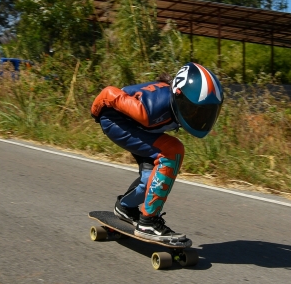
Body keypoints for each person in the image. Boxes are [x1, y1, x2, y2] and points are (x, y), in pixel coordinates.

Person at [91, 62, 223, 243]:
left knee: (151, 178)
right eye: (194, 110)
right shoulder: (149, 110)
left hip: (139, 126)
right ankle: (148, 222)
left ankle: (126, 207)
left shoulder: (175, 103)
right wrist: (95, 110)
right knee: (172, 150)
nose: (197, 117)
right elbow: (109, 92)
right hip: (115, 122)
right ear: (178, 96)